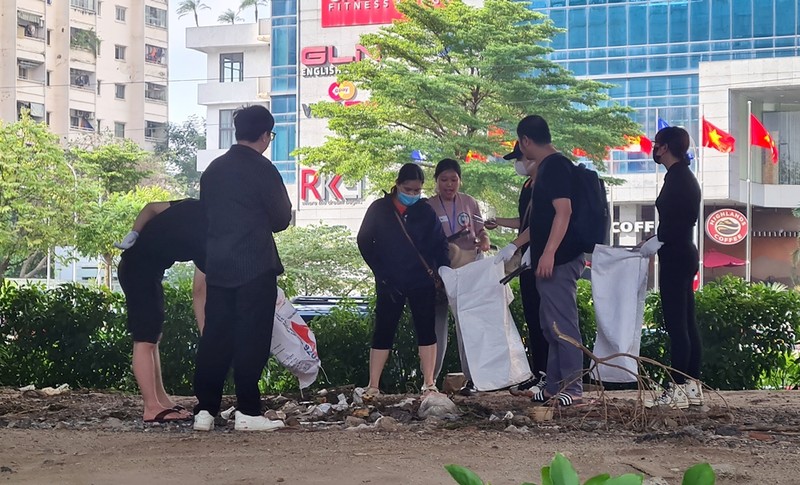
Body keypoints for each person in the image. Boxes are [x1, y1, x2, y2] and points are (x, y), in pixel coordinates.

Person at [193, 105, 292, 432]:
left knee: (215, 337)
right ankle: (248, 411)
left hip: (219, 266)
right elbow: (281, 218)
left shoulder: (214, 170)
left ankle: (204, 411)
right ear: (265, 135)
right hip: (255, 266)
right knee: (252, 338)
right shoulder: (264, 170)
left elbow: (204, 217)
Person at [357, 163, 449, 398]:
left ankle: (429, 383)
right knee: (383, 329)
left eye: (417, 191)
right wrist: (380, 271)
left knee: (426, 329)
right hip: (390, 281)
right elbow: (364, 241)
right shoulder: (379, 208)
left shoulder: (425, 210)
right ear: (397, 185)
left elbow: (440, 244)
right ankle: (373, 385)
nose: (413, 195)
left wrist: (443, 271)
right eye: (408, 189)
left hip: (421, 279)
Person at [512, 115, 584, 407]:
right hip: (547, 258)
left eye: (520, 142)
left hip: (560, 259)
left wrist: (550, 252)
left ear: (526, 141)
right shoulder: (547, 168)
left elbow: (563, 211)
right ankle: (554, 383)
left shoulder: (555, 166)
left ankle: (573, 385)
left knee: (563, 322)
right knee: (549, 323)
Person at [115, 199, 207, 423]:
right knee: (144, 340)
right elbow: (199, 291)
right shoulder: (211, 230)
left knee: (153, 337)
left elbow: (151, 207)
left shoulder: (193, 205)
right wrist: (207, 333)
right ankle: (151, 407)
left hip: (144, 269)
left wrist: (135, 232)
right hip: (138, 270)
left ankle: (161, 399)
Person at [641, 126, 703, 409]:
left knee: (677, 325)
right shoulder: (682, 177)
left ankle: (677, 388)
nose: (654, 149)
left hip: (676, 253)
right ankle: (691, 385)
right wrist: (656, 238)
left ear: (664, 147)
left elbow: (677, 223)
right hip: (682, 251)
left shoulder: (678, 178)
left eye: (656, 144)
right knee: (687, 321)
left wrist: (659, 239)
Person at [426, 158, 489, 395]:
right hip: (440, 271)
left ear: (460, 180)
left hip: (468, 270)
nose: (449, 184)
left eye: (453, 179)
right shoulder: (428, 206)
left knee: (467, 325)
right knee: (435, 326)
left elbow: (482, 233)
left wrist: (483, 241)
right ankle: (429, 381)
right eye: (444, 180)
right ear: (436, 182)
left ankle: (474, 380)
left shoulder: (470, 203)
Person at [491, 142, 547, 397]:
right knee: (532, 318)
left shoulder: (547, 185)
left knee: (544, 318)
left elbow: (539, 225)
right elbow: (524, 221)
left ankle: (548, 374)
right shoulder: (528, 186)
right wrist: (497, 222)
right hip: (526, 257)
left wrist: (515, 245)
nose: (518, 164)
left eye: (520, 158)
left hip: (540, 257)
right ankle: (537, 372)